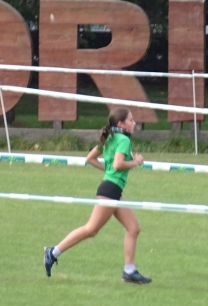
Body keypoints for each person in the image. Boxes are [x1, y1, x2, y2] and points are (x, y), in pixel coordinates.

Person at [43, 107, 151, 284]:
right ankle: (53, 252)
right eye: (131, 120)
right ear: (121, 124)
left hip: (112, 190)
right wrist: (136, 162)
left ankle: (129, 271)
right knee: (91, 229)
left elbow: (90, 159)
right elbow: (117, 165)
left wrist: (108, 170)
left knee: (133, 228)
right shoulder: (123, 139)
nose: (134, 123)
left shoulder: (110, 137)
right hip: (109, 191)